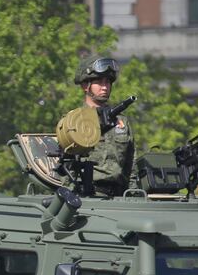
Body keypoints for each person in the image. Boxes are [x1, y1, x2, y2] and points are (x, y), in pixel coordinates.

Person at [54, 57, 136, 198]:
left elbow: (132, 165)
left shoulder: (121, 122)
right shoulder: (73, 121)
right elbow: (66, 166)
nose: (105, 87)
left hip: (120, 197)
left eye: (108, 82)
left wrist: (134, 196)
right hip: (89, 195)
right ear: (85, 86)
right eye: (99, 82)